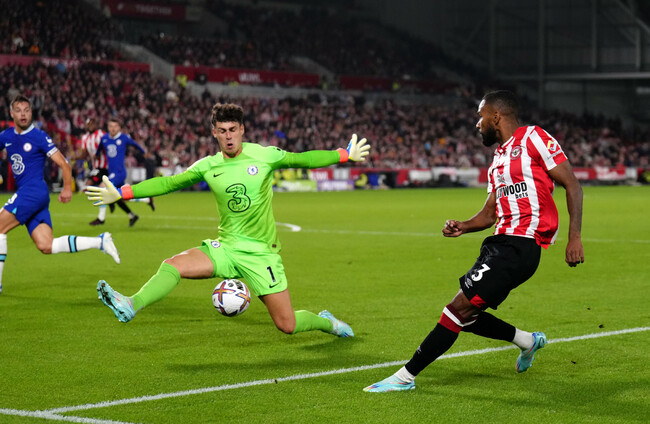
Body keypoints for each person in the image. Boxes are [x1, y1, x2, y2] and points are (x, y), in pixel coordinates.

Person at [86, 103, 370, 337]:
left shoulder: (264, 155)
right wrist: (122, 193)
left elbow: (303, 159)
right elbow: (169, 183)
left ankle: (327, 323)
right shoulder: (208, 166)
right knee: (173, 264)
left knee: (288, 325)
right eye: (222, 131)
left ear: (242, 129)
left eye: (233, 129)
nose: (229, 136)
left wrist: (344, 154)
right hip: (227, 248)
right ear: (214, 133)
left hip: (261, 254)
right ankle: (131, 303)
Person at [364, 90, 584, 392]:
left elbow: (573, 185)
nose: (477, 124)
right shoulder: (497, 160)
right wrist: (464, 226)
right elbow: (490, 213)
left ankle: (405, 377)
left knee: (456, 310)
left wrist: (574, 238)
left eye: (480, 116)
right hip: (498, 244)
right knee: (467, 315)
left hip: (521, 246)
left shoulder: (534, 138)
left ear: (496, 116)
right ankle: (527, 341)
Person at [0, 95, 120, 294]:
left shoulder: (39, 136)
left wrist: (66, 188)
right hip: (32, 195)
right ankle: (100, 241)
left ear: (31, 113)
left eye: (27, 110)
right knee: (46, 245)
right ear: (11, 113)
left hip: (33, 192)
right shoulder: (6, 136)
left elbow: (64, 164)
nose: (23, 114)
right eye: (18, 110)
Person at [96, 118, 153, 227]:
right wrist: (96, 156)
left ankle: (101, 218)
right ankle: (141, 205)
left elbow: (135, 144)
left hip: (119, 172)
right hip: (111, 172)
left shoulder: (124, 138)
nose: (113, 128)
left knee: (103, 187)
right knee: (121, 197)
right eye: (110, 126)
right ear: (108, 127)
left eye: (115, 126)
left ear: (119, 128)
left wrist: (144, 152)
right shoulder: (104, 138)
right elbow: (98, 151)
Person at [80, 117, 110, 226]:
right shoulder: (85, 138)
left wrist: (99, 153)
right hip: (96, 168)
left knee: (91, 185)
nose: (91, 126)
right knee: (90, 188)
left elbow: (109, 146)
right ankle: (107, 205)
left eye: (93, 123)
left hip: (106, 167)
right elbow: (84, 154)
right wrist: (74, 158)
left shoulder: (101, 134)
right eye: (89, 124)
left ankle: (101, 217)